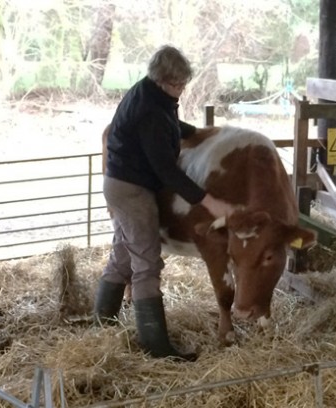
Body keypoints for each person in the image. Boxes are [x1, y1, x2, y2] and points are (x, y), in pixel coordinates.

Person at [94, 45, 234, 362]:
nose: (180, 90)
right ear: (161, 79)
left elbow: (173, 125)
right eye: (176, 84)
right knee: (146, 263)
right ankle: (156, 347)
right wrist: (208, 201)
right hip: (132, 189)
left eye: (183, 84)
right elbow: (166, 170)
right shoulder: (150, 111)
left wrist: (201, 133)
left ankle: (102, 323)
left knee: (123, 252)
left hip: (120, 182)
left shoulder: (153, 95)